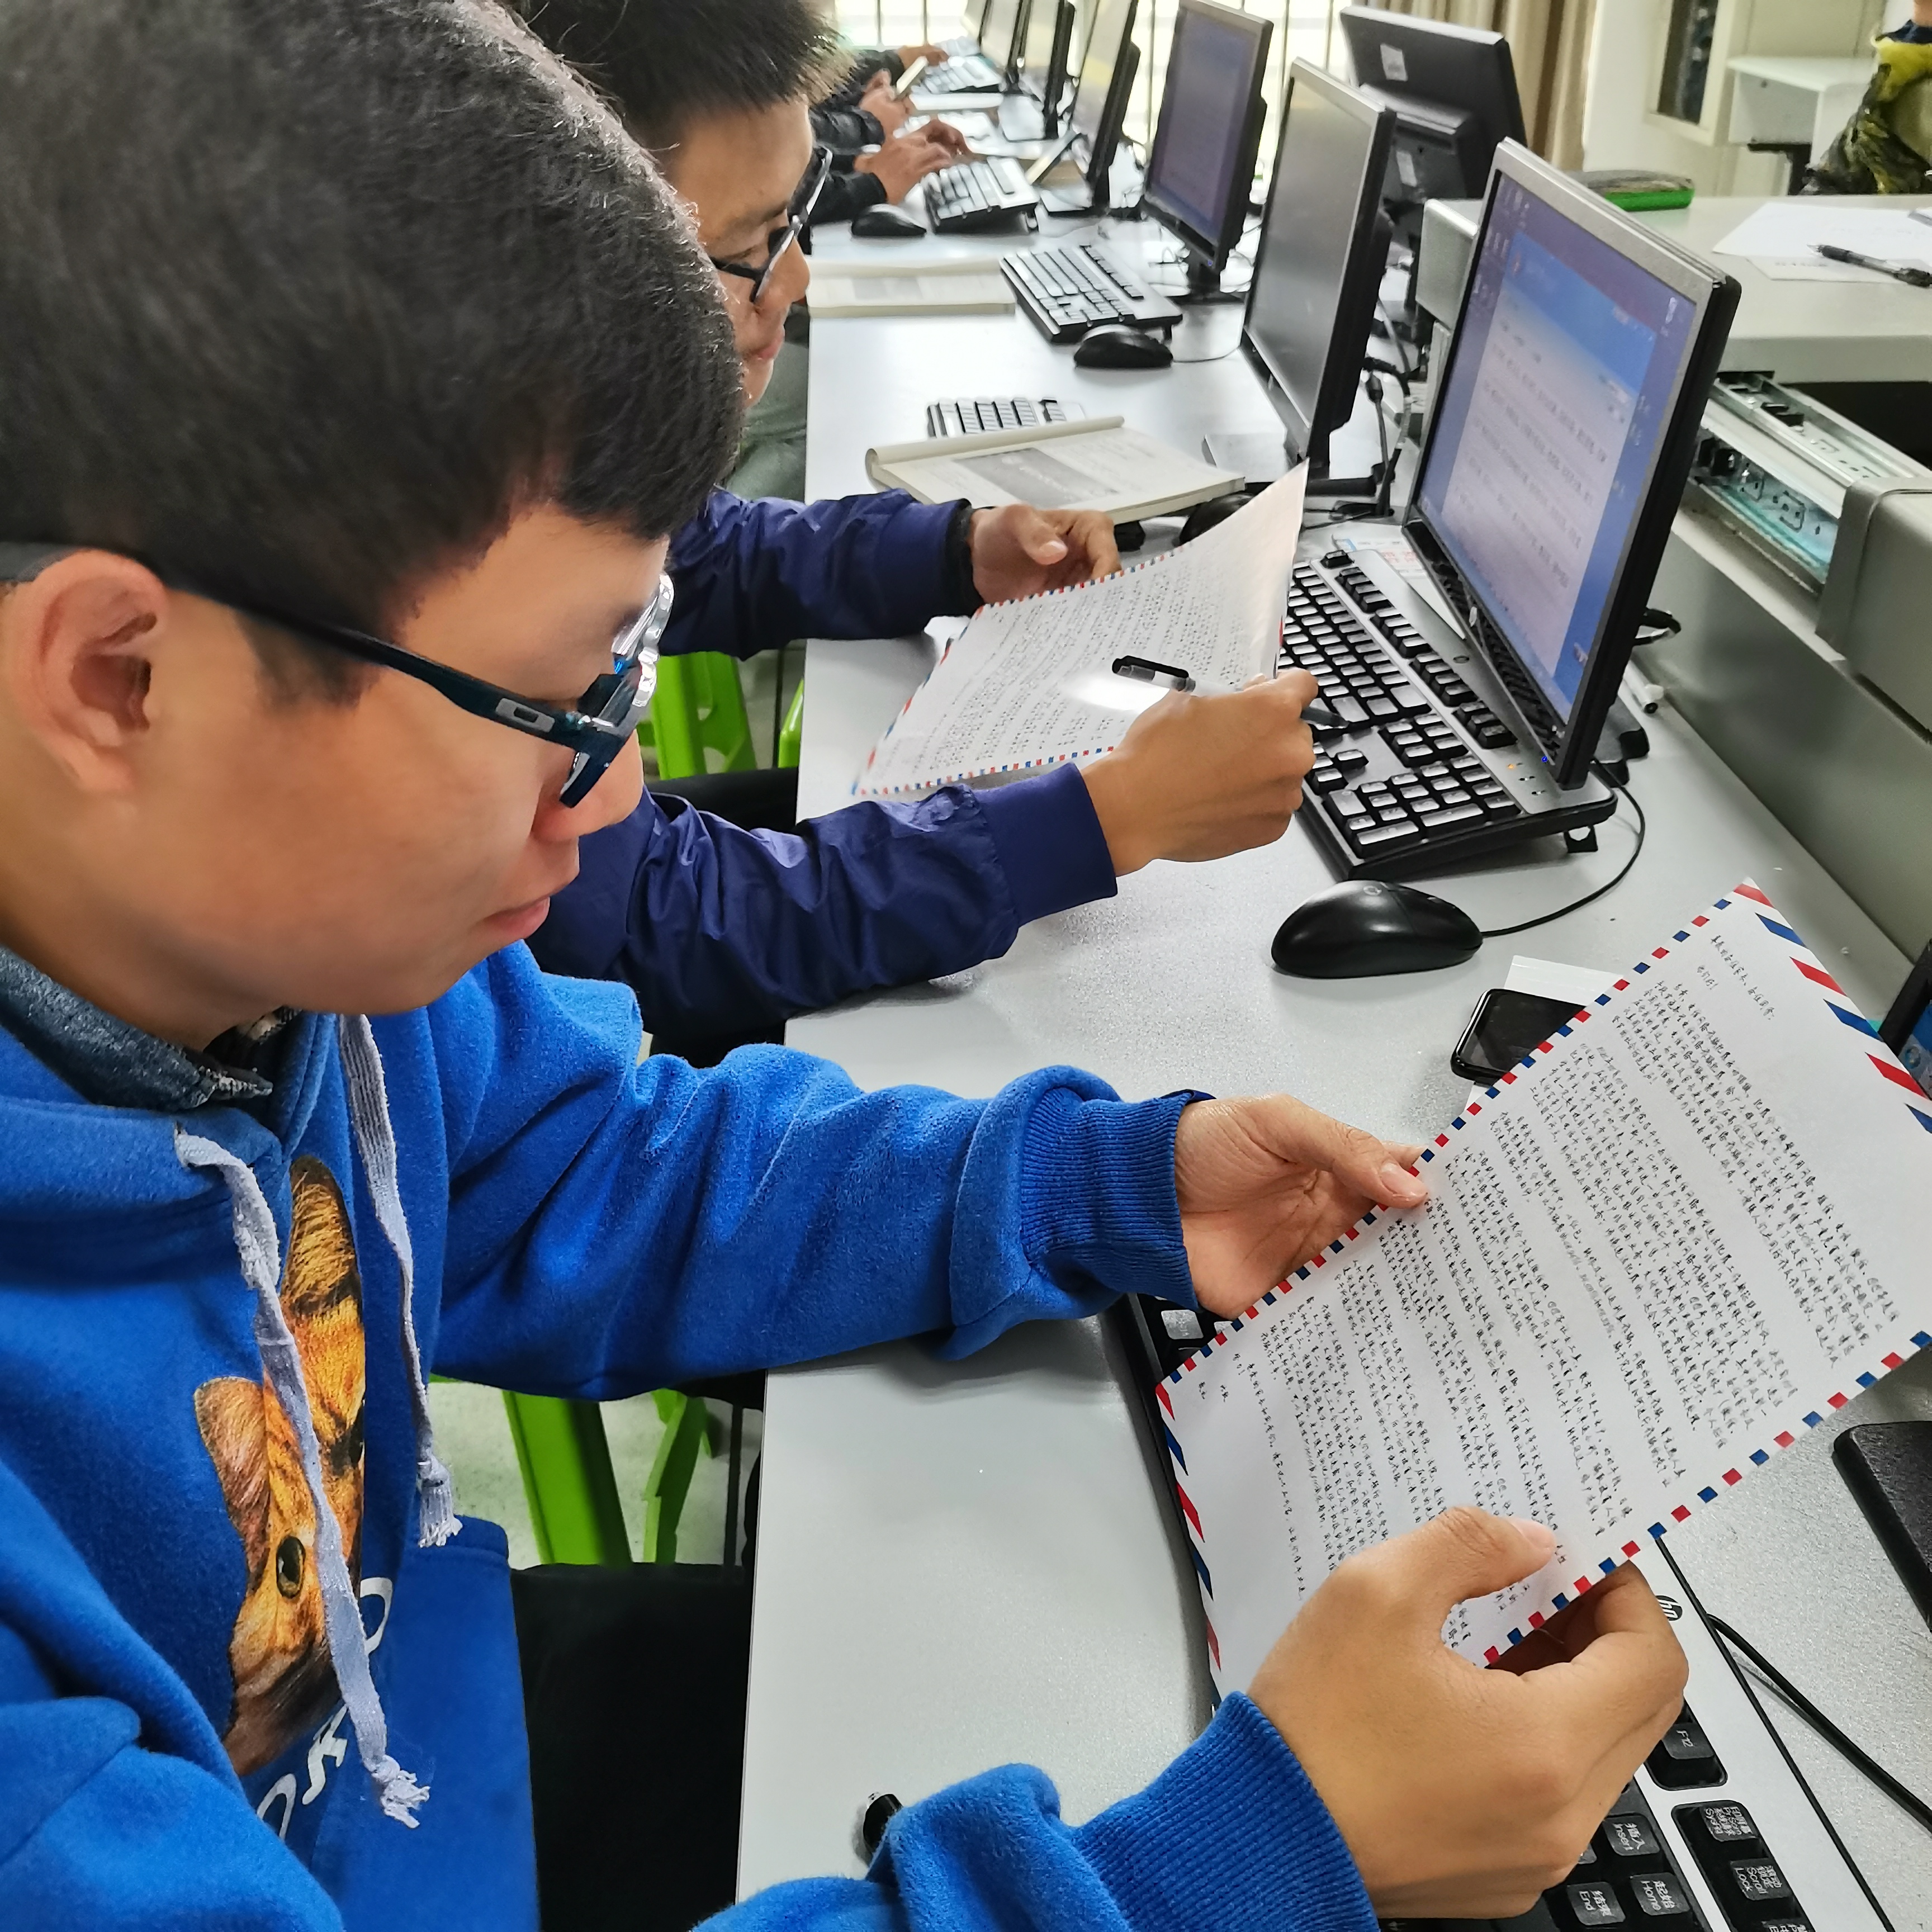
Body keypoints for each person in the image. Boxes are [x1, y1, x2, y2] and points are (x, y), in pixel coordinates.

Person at [0, 3, 1689, 1931]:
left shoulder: (284, 965)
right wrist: (1226, 1869)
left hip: (387, 1742)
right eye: (551, 703)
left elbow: (581, 1168)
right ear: (117, 678)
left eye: (626, 679)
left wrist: (1095, 1182)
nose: (615, 794)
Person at [524, 0, 1324, 1060]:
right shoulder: (486, 540)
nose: (795, 280)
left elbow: (709, 551)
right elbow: (650, 930)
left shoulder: (564, 463)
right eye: (755, 247)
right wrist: (1104, 820)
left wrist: (953, 551)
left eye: (793, 227)